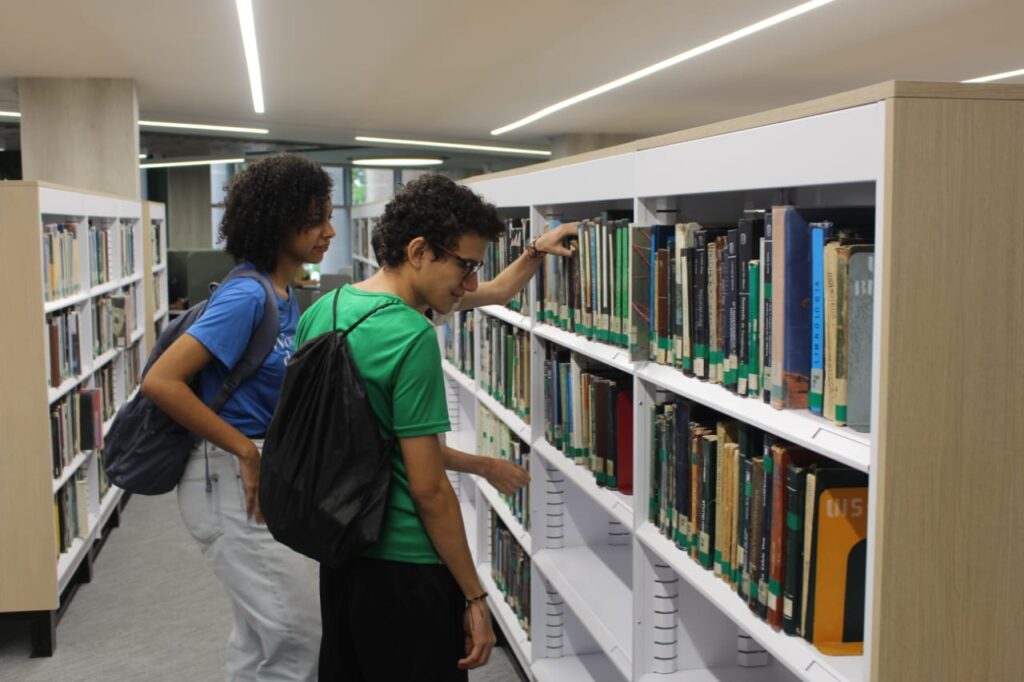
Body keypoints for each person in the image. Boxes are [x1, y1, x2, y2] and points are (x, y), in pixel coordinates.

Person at [296, 174, 512, 681]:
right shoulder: (411, 335)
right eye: (466, 265)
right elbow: (429, 489)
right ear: (419, 251)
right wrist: (474, 595)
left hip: (342, 552)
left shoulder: (326, 309)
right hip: (407, 567)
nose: (471, 284)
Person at [142, 154, 331, 681]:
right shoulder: (247, 294)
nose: (329, 230)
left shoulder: (282, 291)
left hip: (255, 470)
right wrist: (246, 450)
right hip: (229, 477)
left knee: (259, 636)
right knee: (297, 637)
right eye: (315, 219)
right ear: (277, 223)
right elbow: (161, 382)